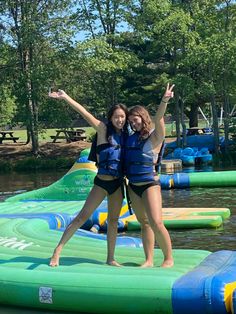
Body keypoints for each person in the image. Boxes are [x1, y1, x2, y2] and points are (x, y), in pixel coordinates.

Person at [48, 89, 128, 267]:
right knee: (82, 216)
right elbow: (83, 112)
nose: (119, 120)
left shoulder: (125, 136)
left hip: (117, 185)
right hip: (101, 183)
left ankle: (110, 258)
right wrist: (66, 97)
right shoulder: (102, 129)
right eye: (116, 116)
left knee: (113, 221)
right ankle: (57, 251)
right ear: (111, 117)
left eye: (122, 116)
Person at [124, 83, 174, 268]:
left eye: (135, 120)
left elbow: (159, 117)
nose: (132, 123)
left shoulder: (154, 136)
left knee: (156, 222)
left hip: (149, 184)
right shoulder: (130, 138)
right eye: (130, 122)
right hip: (133, 185)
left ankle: (168, 258)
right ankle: (149, 260)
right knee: (143, 223)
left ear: (143, 118)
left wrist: (164, 99)